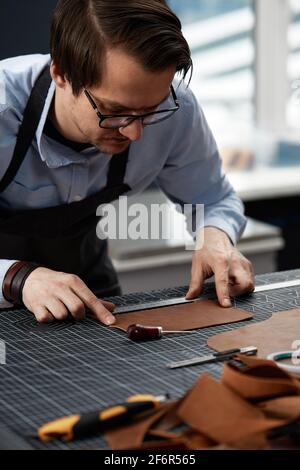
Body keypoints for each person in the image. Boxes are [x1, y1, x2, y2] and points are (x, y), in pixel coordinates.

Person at [0, 0, 254, 325]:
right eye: (114, 111)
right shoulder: (4, 110)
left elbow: (213, 198)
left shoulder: (177, 109)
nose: (134, 132)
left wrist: (216, 238)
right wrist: (18, 278)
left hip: (92, 295)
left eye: (150, 110)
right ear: (61, 73)